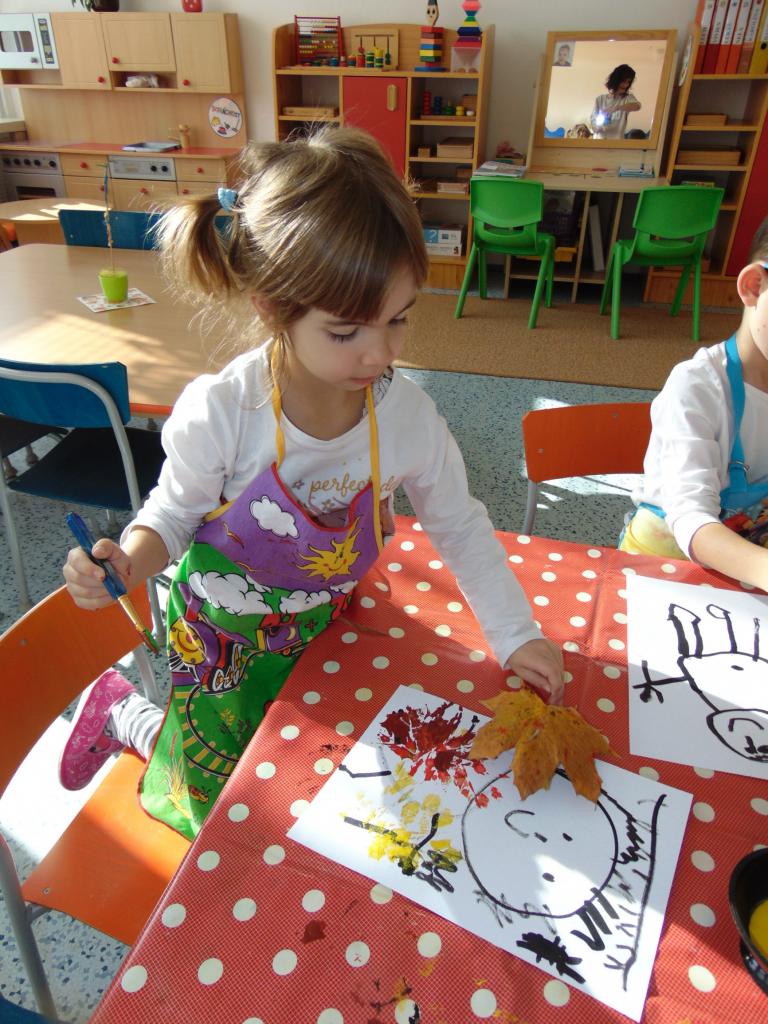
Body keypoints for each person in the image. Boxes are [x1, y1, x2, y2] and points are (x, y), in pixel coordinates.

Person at [61, 126, 565, 841]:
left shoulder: (409, 420)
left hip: (327, 628)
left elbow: (460, 526)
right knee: (217, 792)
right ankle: (121, 711)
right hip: (223, 640)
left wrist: (515, 635)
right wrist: (128, 560)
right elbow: (171, 516)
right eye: (346, 331)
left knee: (316, 785)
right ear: (272, 306)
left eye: (398, 319)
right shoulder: (225, 411)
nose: (380, 353)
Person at [620, 216, 768, 593]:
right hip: (663, 568)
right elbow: (690, 517)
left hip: (744, 578)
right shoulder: (698, 385)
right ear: (754, 286)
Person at [590, 64, 641, 139]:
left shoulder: (627, 98)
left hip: (616, 144)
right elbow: (593, 122)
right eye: (623, 81)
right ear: (616, 80)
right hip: (599, 142)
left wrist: (616, 108)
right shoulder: (600, 99)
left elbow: (637, 106)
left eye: (628, 82)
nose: (626, 85)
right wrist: (596, 128)